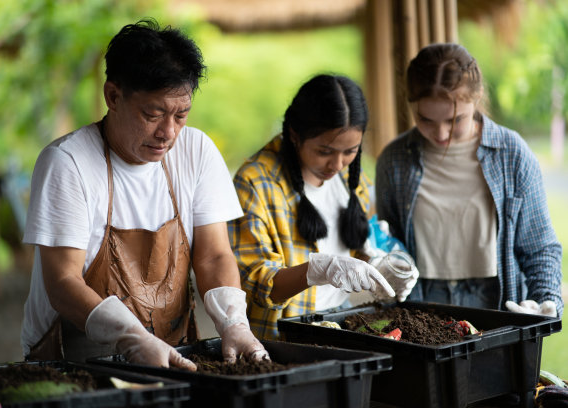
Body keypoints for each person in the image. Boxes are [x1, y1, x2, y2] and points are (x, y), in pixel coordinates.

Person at [20, 18, 268, 369]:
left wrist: (234, 323)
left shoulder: (196, 152)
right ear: (113, 96)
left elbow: (213, 257)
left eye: (181, 115)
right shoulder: (68, 163)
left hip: (177, 355)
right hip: (77, 360)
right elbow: (62, 281)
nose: (168, 132)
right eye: (153, 114)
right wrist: (134, 338)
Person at [375, 43, 563, 317]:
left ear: (477, 99)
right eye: (425, 119)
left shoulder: (512, 153)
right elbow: (387, 246)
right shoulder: (394, 160)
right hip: (420, 301)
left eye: (455, 120)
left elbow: (539, 247)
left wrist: (545, 299)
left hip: (495, 298)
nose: (441, 133)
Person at [228, 74, 418, 340]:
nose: (337, 165)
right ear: (294, 135)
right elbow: (256, 285)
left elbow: (352, 253)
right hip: (283, 334)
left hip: (342, 321)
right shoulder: (256, 183)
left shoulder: (354, 181)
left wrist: (380, 265)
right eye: (324, 152)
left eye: (350, 151)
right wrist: (317, 270)